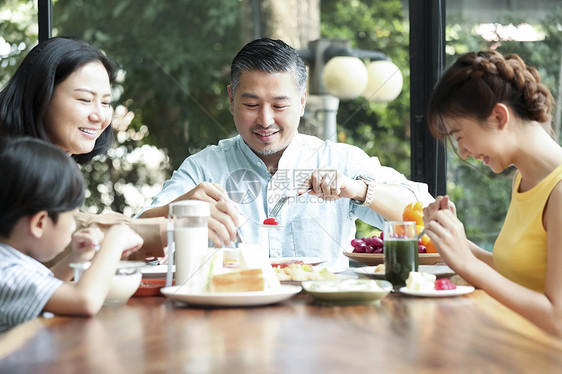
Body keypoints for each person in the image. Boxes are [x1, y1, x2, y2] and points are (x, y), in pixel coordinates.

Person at [138, 38, 434, 267]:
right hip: (233, 319)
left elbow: (426, 215)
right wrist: (180, 209)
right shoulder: (203, 168)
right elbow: (136, 235)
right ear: (231, 99)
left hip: (324, 322)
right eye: (251, 105)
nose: (265, 120)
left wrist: (356, 189)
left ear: (302, 102)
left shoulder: (340, 160)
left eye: (279, 105)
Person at [423, 50, 562, 336]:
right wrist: (454, 240)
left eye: (459, 135)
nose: (462, 153)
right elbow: (516, 270)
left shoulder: (558, 192)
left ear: (499, 116)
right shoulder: (524, 179)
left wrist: (466, 263)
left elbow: (557, 319)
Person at [0, 36, 166, 262]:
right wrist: (164, 231)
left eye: (106, 102)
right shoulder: (10, 164)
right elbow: (53, 235)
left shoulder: (62, 166)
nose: (99, 116)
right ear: (41, 95)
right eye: (85, 99)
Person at [0, 137, 143, 332]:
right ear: (40, 223)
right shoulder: (9, 274)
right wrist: (115, 240)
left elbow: (44, 287)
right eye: (72, 218)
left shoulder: (11, 265)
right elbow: (85, 301)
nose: (73, 227)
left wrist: (74, 259)